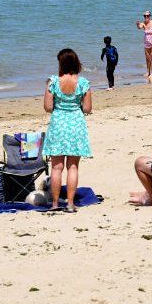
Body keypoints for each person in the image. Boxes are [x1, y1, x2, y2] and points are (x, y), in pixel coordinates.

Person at [42, 49, 93, 212]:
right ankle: (70, 203)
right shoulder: (83, 83)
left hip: (58, 124)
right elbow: (87, 108)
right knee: (73, 167)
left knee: (56, 167)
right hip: (76, 124)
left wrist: (60, 105)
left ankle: (55, 204)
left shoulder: (53, 82)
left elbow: (48, 107)